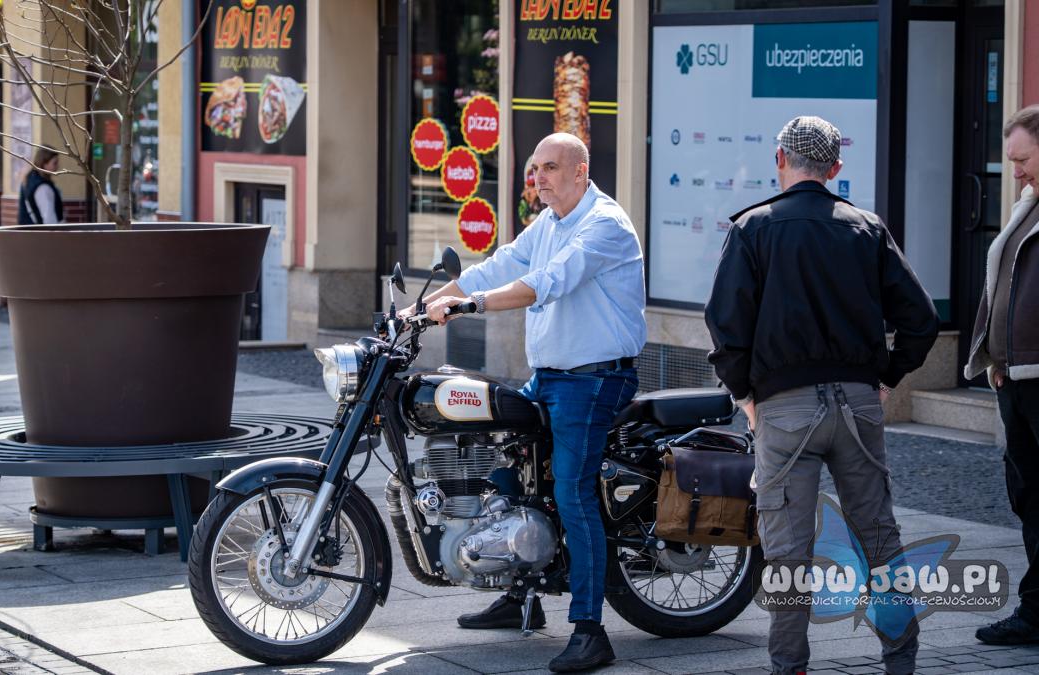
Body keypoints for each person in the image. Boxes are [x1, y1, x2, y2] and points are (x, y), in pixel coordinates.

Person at [704, 116, 938, 675]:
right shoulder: (867, 228)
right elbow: (922, 319)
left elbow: (725, 325)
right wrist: (886, 378)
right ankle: (901, 661)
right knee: (878, 535)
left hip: (784, 406)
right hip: (857, 401)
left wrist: (746, 396)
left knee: (788, 552)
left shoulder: (753, 227)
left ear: (780, 160)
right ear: (835, 169)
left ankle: (791, 666)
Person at [407, 132, 647, 672]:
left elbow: (545, 283)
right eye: (535, 169)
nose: (539, 179)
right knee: (504, 471)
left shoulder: (604, 224)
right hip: (551, 377)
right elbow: (499, 264)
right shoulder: (551, 222)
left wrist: (470, 305)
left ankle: (590, 630)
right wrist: (419, 309)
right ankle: (520, 594)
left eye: (551, 168)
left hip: (594, 380)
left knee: (572, 492)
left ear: (581, 171)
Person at [968, 104, 1039, 645]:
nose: (1013, 172)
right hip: (1016, 379)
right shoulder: (1027, 207)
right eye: (1011, 160)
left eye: (1023, 160)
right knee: (1029, 496)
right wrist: (996, 358)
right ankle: (1036, 612)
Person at [18, 148, 64, 225]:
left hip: (28, 230)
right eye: (55, 163)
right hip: (39, 231)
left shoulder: (29, 179)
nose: (58, 166)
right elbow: (49, 218)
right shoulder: (42, 187)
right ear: (44, 164)